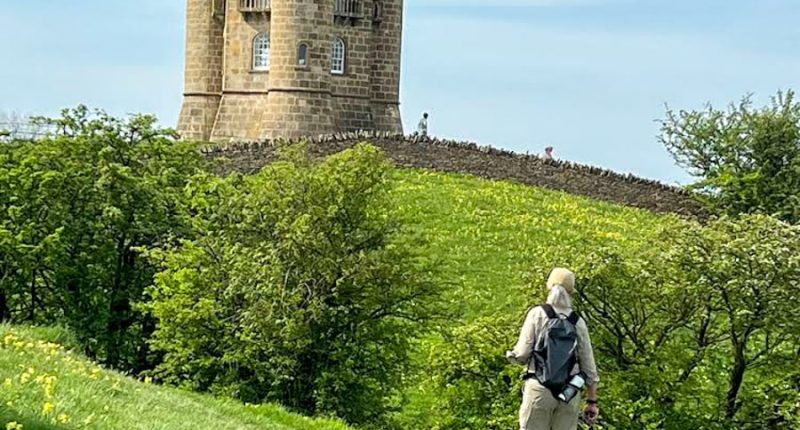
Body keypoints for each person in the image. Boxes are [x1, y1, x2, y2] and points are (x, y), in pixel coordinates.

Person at [506, 268, 600, 430]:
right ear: (571, 293)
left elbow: (522, 355)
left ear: (549, 288)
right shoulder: (578, 322)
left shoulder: (537, 314)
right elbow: (589, 366)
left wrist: (511, 355)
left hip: (539, 389)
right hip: (569, 392)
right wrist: (592, 402)